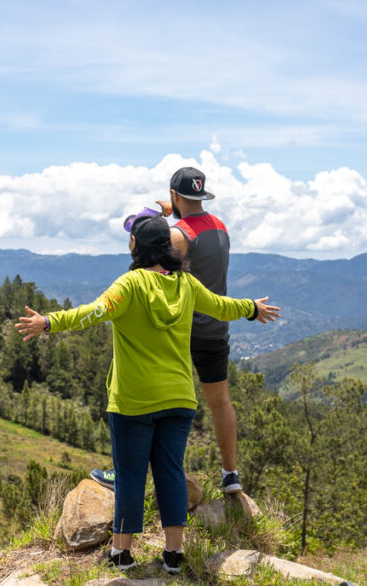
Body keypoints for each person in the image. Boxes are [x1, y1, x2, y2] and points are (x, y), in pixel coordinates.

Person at [16, 215, 280, 573]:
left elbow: (93, 313)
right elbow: (221, 306)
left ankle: (121, 553)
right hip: (179, 399)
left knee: (130, 476)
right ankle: (174, 554)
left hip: (133, 401)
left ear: (136, 246)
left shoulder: (131, 284)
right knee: (170, 472)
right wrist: (252, 308)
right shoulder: (186, 284)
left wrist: (48, 322)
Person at [93, 167, 246, 494]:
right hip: (215, 327)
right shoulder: (220, 227)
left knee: (140, 396)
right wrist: (171, 213)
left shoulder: (178, 235)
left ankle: (123, 472)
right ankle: (230, 474)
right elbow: (194, 231)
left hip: (179, 328)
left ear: (175, 195)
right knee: (220, 402)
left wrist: (154, 222)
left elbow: (152, 265)